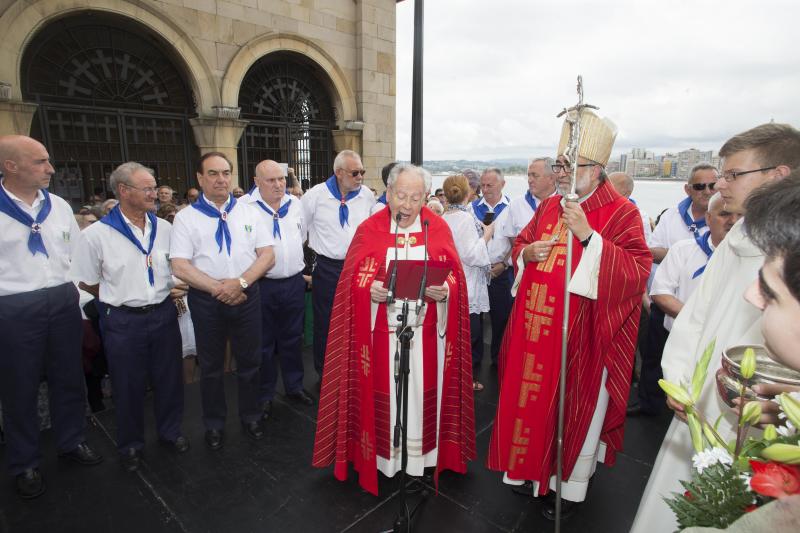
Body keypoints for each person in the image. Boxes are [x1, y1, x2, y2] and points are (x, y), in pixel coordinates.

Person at [630, 123, 800, 533]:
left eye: (733, 174)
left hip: (754, 406)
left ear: (778, 176)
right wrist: (682, 377)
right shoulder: (740, 231)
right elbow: (699, 313)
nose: (721, 185)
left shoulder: (784, 246)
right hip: (701, 394)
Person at [487, 108, 651, 520]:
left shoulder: (622, 212)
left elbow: (636, 270)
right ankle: (529, 473)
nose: (560, 173)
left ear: (595, 169)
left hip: (582, 336)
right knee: (531, 406)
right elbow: (520, 242)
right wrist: (526, 252)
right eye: (559, 165)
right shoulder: (549, 207)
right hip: (534, 332)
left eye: (567, 166)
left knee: (570, 411)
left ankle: (564, 486)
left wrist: (588, 237)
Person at [312, 163, 475, 495]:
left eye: (416, 197)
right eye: (400, 195)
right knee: (387, 399)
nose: (407, 205)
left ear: (426, 197)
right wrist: (367, 290)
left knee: (419, 399)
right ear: (388, 193)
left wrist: (445, 292)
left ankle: (421, 460)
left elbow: (455, 277)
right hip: (381, 338)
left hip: (426, 335)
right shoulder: (370, 229)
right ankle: (385, 460)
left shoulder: (438, 228)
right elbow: (350, 283)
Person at [0, 135, 103, 499]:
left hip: (60, 300)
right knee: (19, 388)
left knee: (69, 377)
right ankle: (25, 462)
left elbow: (73, 258)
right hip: (13, 307)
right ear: (11, 166)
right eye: (41, 162)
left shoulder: (58, 206)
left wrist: (76, 304)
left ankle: (71, 440)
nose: (51, 168)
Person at [71, 162, 188, 472]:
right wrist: (121, 296)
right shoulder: (97, 235)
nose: (154, 193)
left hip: (163, 313)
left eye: (154, 187)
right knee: (127, 385)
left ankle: (170, 431)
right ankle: (131, 445)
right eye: (147, 188)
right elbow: (86, 280)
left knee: (169, 379)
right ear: (123, 191)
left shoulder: (164, 228)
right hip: (122, 320)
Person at [170, 152, 275, 450]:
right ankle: (214, 423)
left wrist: (239, 283)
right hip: (207, 300)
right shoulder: (186, 218)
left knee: (250, 362)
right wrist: (220, 288)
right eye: (213, 173)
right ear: (200, 179)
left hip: (247, 295)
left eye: (226, 173)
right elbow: (180, 265)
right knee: (212, 367)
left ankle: (251, 415)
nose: (221, 179)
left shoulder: (250, 212)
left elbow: (267, 255)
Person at [245, 160, 314, 422]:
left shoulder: (296, 205)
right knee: (263, 343)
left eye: (281, 179)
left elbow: (302, 237)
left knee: (292, 338)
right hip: (262, 284)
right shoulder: (244, 209)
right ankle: (265, 395)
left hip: (294, 282)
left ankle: (294, 386)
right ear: (256, 182)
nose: (278, 185)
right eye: (271, 180)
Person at [302, 150, 375, 379]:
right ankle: (326, 372)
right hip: (328, 267)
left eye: (362, 172)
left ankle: (354, 368)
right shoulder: (316, 196)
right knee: (326, 322)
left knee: (359, 319)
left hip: (360, 267)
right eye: (355, 173)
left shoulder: (366, 196)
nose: (360, 177)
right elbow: (300, 232)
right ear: (339, 172)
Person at [650, 193, 740, 332]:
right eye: (725, 214)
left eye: (740, 215)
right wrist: (699, 320)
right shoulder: (682, 250)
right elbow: (660, 292)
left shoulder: (755, 257)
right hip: (680, 337)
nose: (733, 221)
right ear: (708, 218)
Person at [442, 174, 493, 391]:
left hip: (448, 282)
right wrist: (487, 236)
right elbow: (473, 254)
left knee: (450, 334)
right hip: (467, 283)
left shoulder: (443, 217)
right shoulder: (465, 219)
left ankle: (450, 375)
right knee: (469, 336)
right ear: (468, 194)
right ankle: (466, 379)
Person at [472, 168, 512, 368]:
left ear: (503, 184)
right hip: (478, 272)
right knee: (475, 320)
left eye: (490, 185)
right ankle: (474, 360)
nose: (485, 190)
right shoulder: (472, 208)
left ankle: (499, 359)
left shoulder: (512, 207)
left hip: (502, 272)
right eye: (483, 185)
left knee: (501, 319)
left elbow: (518, 241)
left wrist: (504, 264)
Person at [648, 163, 717, 263]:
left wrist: (673, 254)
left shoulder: (729, 219)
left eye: (712, 186)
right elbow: (652, 252)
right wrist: (690, 256)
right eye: (699, 186)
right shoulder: (670, 215)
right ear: (687, 190)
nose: (707, 191)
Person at [502, 157, 557, 241]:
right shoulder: (516, 205)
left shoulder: (565, 204)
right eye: (529, 175)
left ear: (551, 179)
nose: (530, 180)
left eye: (535, 176)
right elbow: (512, 237)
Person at [608, 171, 652, 241]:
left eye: (610, 187)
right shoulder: (599, 209)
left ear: (625, 193)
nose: (604, 190)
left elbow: (642, 245)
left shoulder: (640, 216)